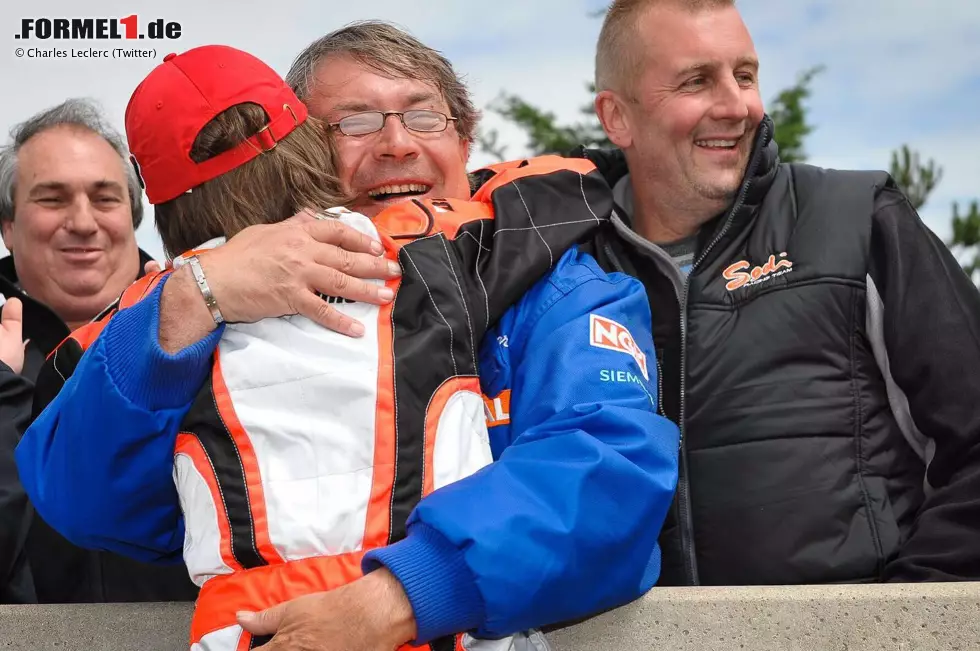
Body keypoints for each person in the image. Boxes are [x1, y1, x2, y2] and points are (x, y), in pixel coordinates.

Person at [18, 40, 679, 651]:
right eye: (354, 123)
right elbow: (83, 498)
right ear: (297, 152)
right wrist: (198, 297)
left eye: (424, 118)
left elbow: (609, 471)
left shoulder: (558, 279)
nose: (396, 145)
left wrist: (400, 596)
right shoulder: (195, 305)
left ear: (466, 135)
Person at [564, 0, 980, 585]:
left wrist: (907, 617)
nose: (738, 106)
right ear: (617, 117)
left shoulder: (856, 220)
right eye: (697, 80)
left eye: (746, 75)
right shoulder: (563, 260)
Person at [0, 98, 199, 603]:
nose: (83, 222)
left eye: (105, 198)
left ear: (133, 218)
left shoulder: (216, 323)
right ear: (7, 226)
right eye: (52, 199)